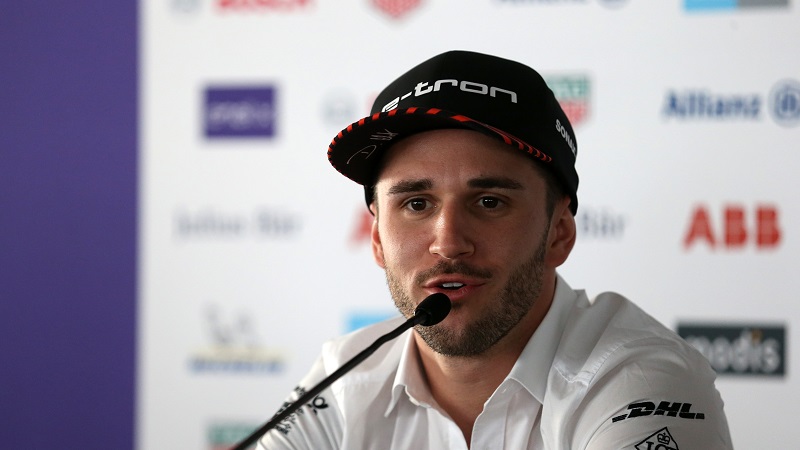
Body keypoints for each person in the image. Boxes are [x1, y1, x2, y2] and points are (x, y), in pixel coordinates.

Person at [257, 50, 733, 449]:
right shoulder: (344, 380)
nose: (448, 242)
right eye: (416, 203)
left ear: (559, 233)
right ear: (378, 238)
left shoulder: (638, 381)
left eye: (489, 202)